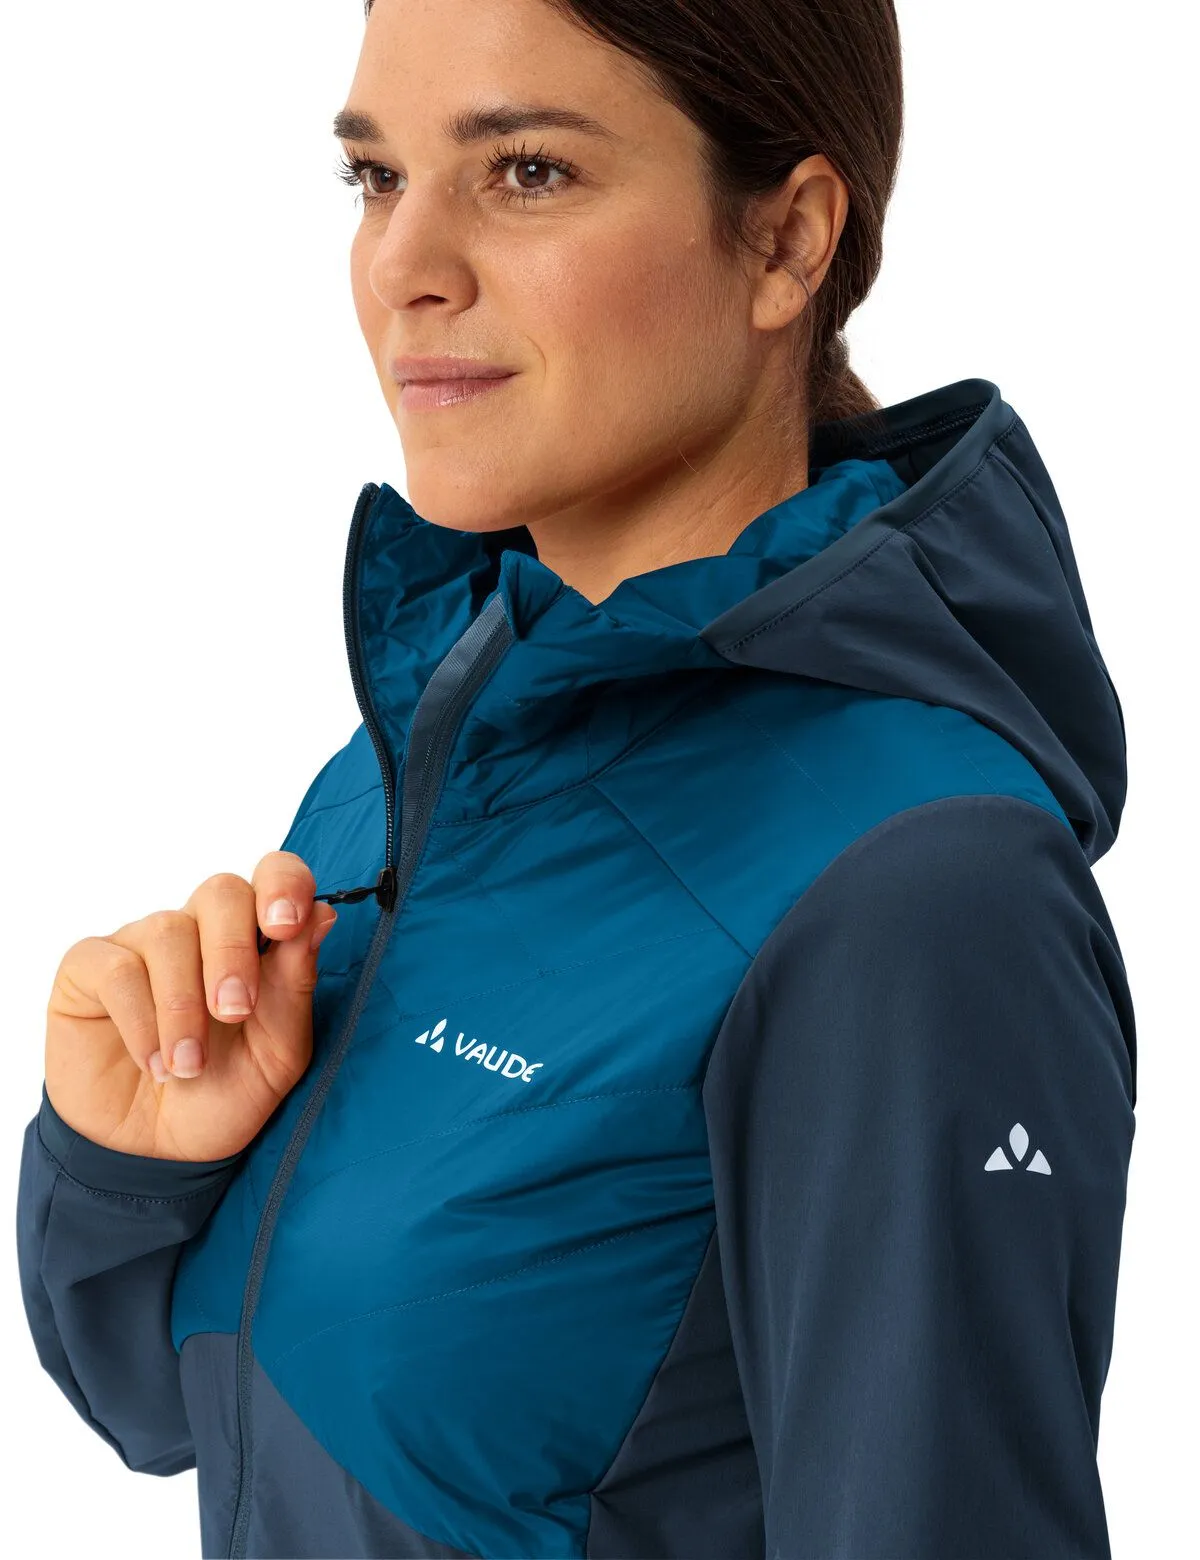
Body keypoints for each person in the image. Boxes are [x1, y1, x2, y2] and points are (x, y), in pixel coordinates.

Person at [16, 0, 1137, 1556]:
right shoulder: (425, 753)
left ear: (786, 243)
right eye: (375, 177)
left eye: (527, 171)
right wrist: (133, 1164)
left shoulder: (916, 893)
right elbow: (186, 1408)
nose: (405, 265)